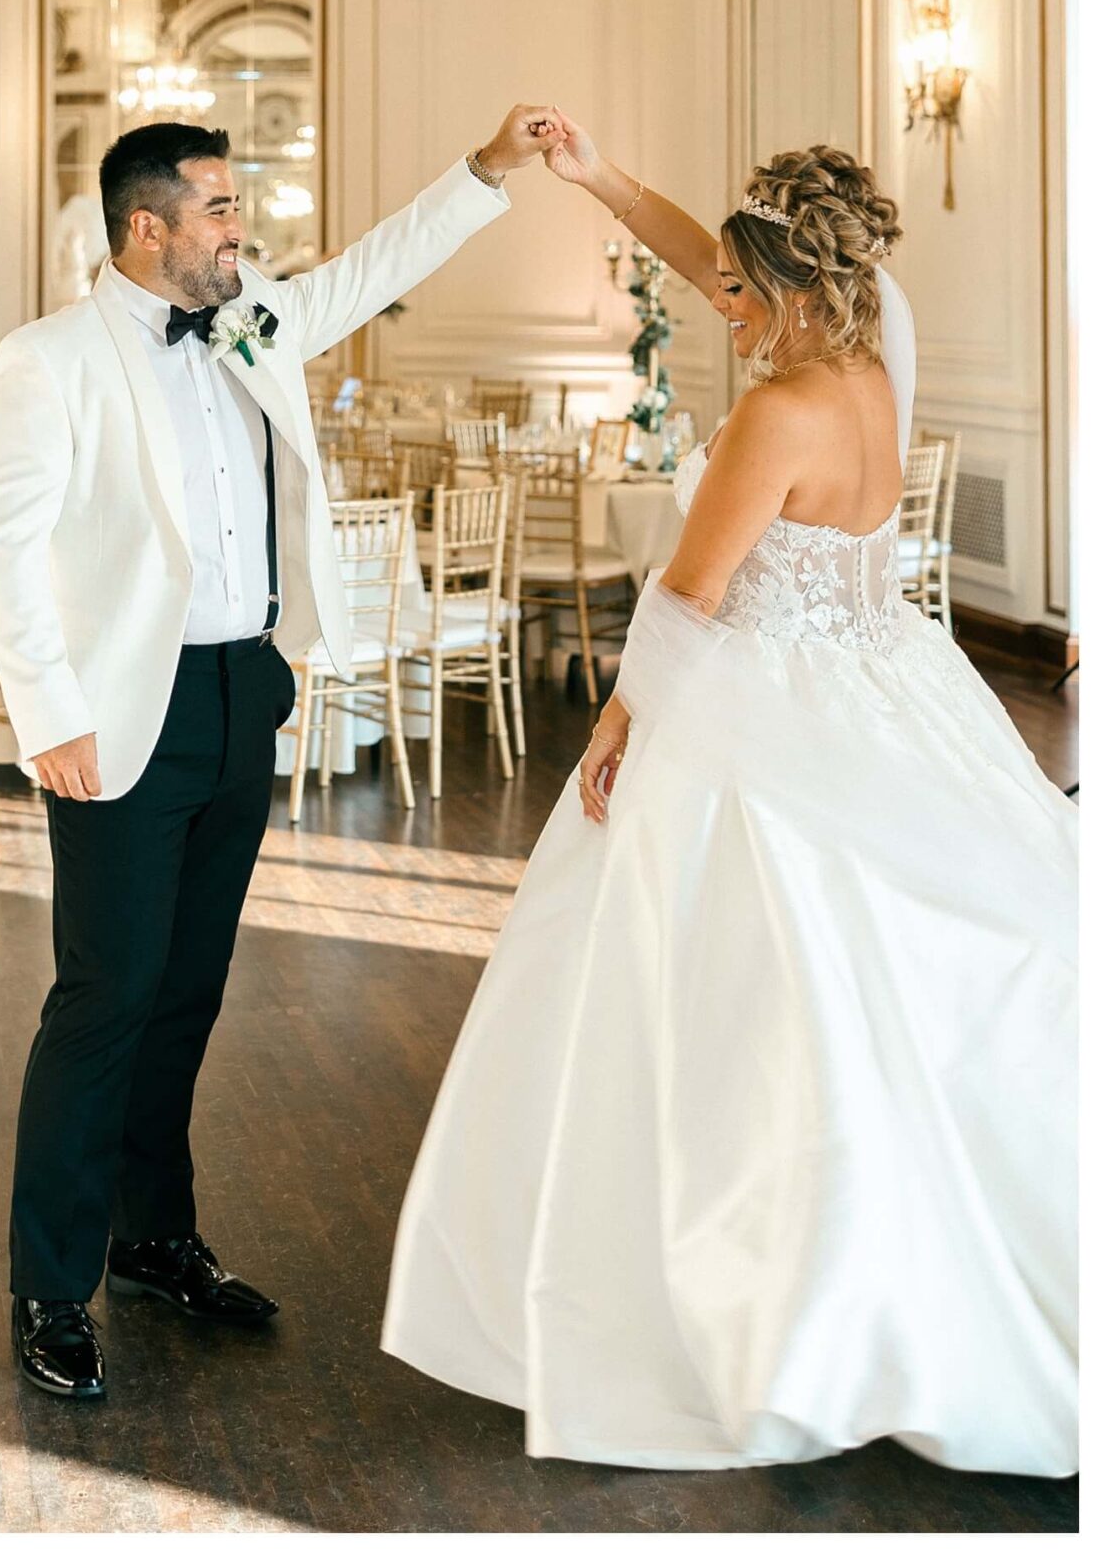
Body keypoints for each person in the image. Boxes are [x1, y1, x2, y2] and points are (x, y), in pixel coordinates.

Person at [384, 122, 1078, 1477]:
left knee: (725, 987)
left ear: (799, 288)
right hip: (892, 689)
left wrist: (614, 720)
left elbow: (690, 596)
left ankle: (753, 1299)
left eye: (746, 295)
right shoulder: (879, 350)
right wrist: (596, 177)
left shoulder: (775, 411)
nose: (726, 310)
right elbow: (709, 254)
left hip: (764, 713)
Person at [0, 104, 558, 1400]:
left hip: (245, 693)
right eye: (222, 207)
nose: (245, 226)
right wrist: (47, 713)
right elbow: (3, 545)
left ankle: (152, 1241)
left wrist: (486, 166)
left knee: (185, 994)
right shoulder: (52, 358)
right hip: (125, 711)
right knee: (102, 1000)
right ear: (149, 227)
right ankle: (48, 1287)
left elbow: (374, 266)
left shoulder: (255, 318)